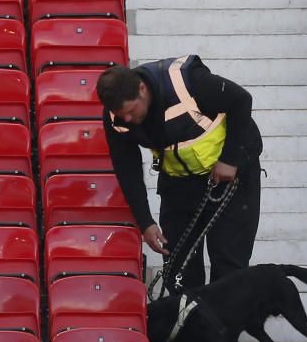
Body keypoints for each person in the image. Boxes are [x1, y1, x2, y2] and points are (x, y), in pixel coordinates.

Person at [96, 55, 263, 295]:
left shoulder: (188, 81)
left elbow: (241, 100)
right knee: (179, 273)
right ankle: (187, 330)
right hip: (179, 184)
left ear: (142, 88)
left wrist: (229, 160)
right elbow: (127, 167)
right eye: (123, 115)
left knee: (229, 268)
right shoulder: (116, 116)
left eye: (131, 110)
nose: (128, 120)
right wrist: (145, 222)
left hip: (231, 178)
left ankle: (223, 331)